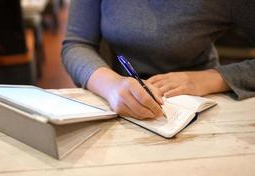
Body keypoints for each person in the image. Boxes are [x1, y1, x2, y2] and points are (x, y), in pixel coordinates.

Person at [62, 0, 255, 120]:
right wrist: (111, 85)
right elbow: (77, 44)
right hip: (115, 102)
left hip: (200, 106)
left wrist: (210, 79)